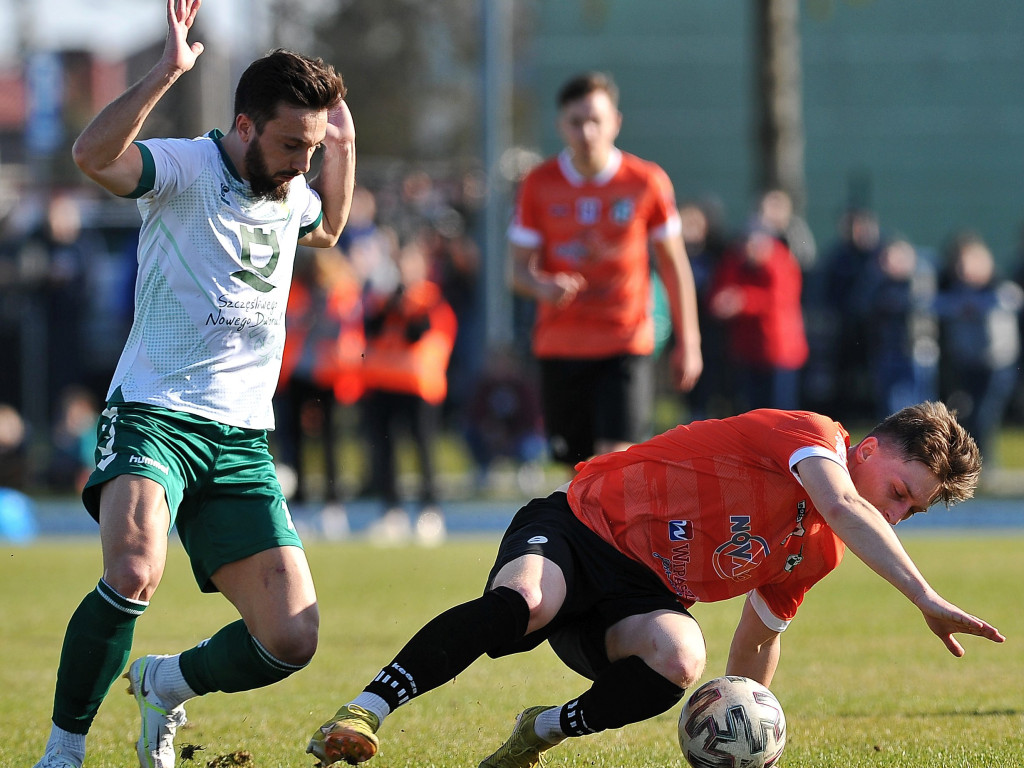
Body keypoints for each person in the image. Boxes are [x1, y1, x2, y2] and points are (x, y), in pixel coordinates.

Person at [305, 400, 1003, 768]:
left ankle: (538, 732)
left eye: (909, 510)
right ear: (870, 451)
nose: (896, 514)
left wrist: (745, 732)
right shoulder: (810, 434)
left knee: (681, 656)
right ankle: (362, 712)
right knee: (524, 602)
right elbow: (849, 506)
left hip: (637, 601)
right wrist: (926, 597)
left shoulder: (817, 553)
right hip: (578, 528)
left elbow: (757, 641)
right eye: (900, 493)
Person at [33, 2, 355, 767]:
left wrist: (342, 147)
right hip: (155, 415)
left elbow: (330, 226)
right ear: (243, 127)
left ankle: (164, 684)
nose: (299, 165)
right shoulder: (185, 166)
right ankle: (62, 752)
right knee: (135, 569)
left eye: (309, 149)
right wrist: (167, 72)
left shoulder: (292, 187)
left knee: (291, 637)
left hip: (242, 436)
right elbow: (92, 155)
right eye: (289, 145)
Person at [508, 71, 703, 468]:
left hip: (624, 342)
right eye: (576, 122)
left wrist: (690, 341)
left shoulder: (646, 181)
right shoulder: (539, 184)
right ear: (561, 125)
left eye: (595, 120)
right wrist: (543, 286)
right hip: (562, 345)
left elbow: (674, 265)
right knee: (576, 473)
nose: (587, 132)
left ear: (616, 122)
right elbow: (516, 273)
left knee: (616, 465)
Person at [359, 233, 457, 545]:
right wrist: (391, 303)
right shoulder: (384, 298)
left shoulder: (431, 299)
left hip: (418, 386)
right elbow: (370, 328)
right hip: (383, 383)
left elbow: (420, 333)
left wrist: (405, 305)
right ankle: (392, 512)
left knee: (423, 451)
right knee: (385, 451)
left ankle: (430, 511)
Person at [934, 231, 1023, 470]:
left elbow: (1009, 301)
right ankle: (972, 466)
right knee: (965, 414)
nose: (963, 270)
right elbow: (934, 304)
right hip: (966, 362)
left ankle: (987, 465)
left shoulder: (998, 284)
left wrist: (972, 305)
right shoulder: (951, 287)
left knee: (985, 415)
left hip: (996, 364)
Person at [708, 223, 808, 411]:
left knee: (780, 412)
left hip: (778, 351)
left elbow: (779, 298)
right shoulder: (737, 262)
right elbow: (721, 289)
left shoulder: (780, 261)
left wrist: (742, 301)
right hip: (748, 350)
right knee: (752, 411)